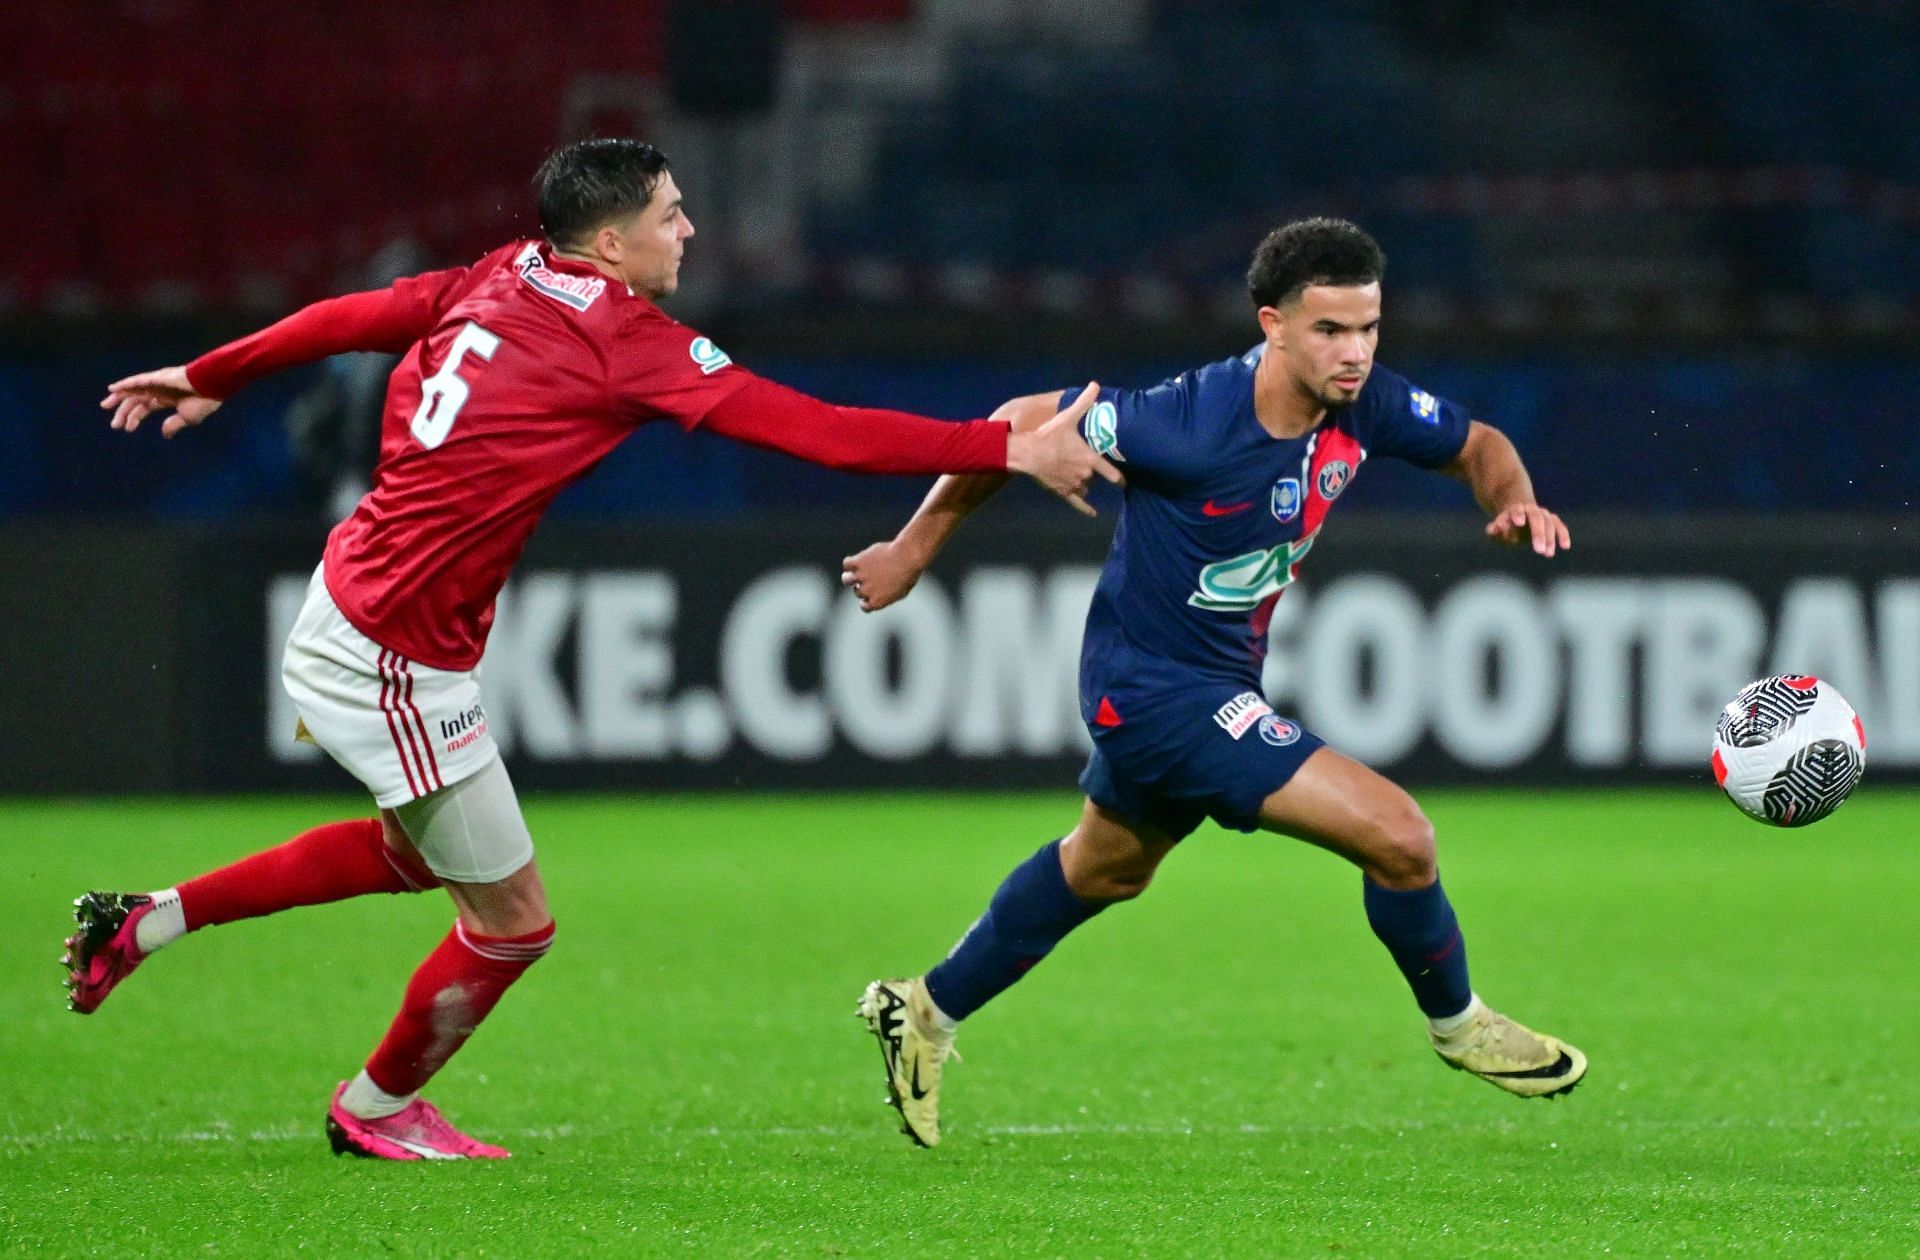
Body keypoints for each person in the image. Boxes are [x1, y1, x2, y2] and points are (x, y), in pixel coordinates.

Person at [66, 137, 1119, 1162]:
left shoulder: (503, 272)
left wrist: (216, 370)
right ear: (611, 244)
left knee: (411, 854)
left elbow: (359, 317)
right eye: (669, 213)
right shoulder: (621, 336)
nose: (689, 230)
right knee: (513, 925)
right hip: (390, 652)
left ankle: (145, 923)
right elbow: (817, 429)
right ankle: (374, 1107)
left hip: (362, 603)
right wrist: (1006, 446)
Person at [846, 217, 1584, 1148]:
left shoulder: (1364, 400)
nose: (1354, 353)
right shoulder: (1185, 422)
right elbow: (1012, 423)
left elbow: (1477, 444)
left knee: (1107, 869)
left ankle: (923, 1009)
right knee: (1402, 838)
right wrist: (912, 551)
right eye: (1329, 331)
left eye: (1368, 329)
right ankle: (1458, 1023)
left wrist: (1512, 498)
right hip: (1154, 692)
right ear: (1272, 324)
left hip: (1212, 677)